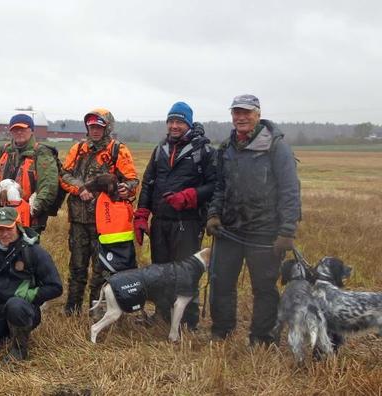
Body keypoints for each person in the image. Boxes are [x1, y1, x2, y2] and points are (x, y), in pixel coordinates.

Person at [206, 94, 301, 346]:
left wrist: (287, 231)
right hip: (229, 230)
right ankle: (221, 330)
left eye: (246, 113)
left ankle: (261, 337)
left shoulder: (276, 147)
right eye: (236, 113)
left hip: (265, 231)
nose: (241, 117)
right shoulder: (226, 148)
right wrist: (214, 214)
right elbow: (219, 186)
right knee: (221, 281)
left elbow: (290, 190)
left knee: (264, 287)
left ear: (258, 114)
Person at [135, 102, 217, 329]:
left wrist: (190, 196)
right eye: (170, 121)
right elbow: (149, 183)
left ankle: (188, 322)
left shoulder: (204, 151)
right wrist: (142, 214)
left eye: (179, 122)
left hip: (188, 223)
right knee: (160, 272)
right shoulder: (160, 148)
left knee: (186, 274)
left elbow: (215, 185)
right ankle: (163, 315)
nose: (174, 126)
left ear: (188, 123)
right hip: (160, 222)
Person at [59, 109, 139, 315]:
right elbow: (64, 174)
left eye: (99, 127)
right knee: (77, 266)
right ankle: (72, 308)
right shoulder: (78, 149)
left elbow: (132, 179)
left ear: (107, 128)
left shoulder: (118, 150)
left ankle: (97, 310)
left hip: (106, 221)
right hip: (78, 218)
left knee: (101, 269)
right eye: (92, 126)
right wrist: (80, 188)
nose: (94, 130)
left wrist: (126, 188)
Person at [0, 207, 62, 361]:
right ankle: (6, 329)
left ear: (18, 225)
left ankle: (19, 350)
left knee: (15, 305)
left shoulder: (34, 251)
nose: (4, 233)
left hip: (23, 310)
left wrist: (26, 295)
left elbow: (55, 287)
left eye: (8, 228)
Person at [0, 114, 60, 234]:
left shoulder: (42, 153)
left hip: (28, 216)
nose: (19, 132)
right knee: (0, 248)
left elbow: (48, 185)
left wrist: (34, 208)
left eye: (22, 129)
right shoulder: (2, 151)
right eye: (15, 129)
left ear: (32, 130)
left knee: (27, 250)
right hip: (2, 213)